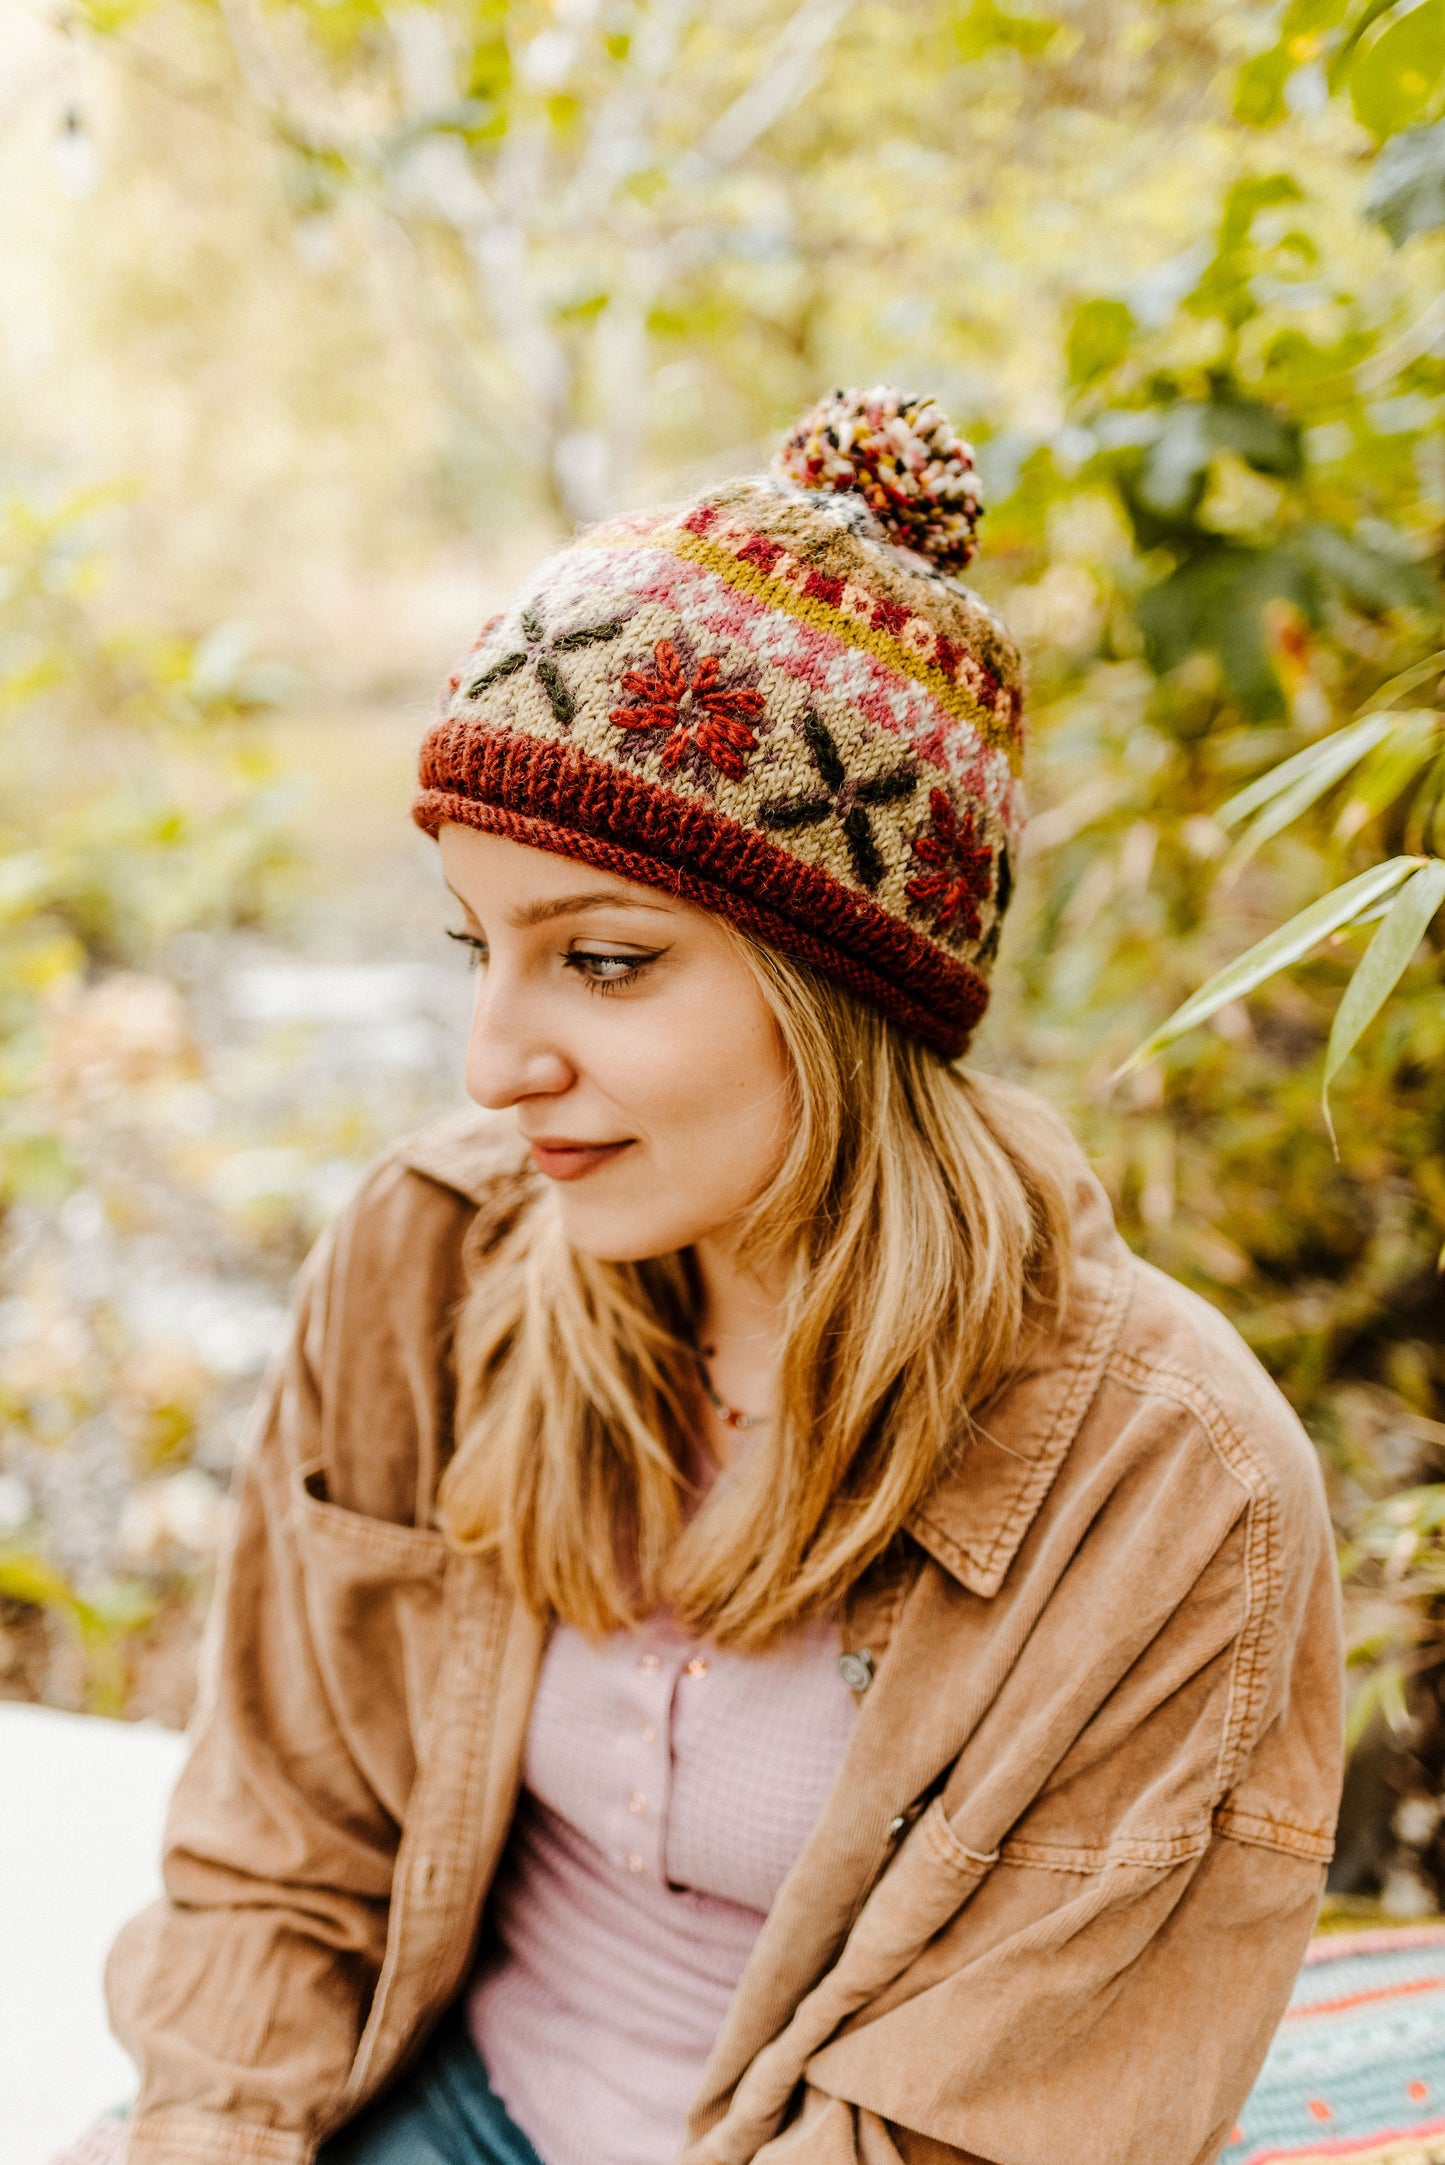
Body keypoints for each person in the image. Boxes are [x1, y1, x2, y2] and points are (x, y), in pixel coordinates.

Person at [104, 388, 1343, 2165]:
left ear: (850, 996)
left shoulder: (1172, 1491)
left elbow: (976, 2127)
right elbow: (276, 1851)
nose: (490, 1061)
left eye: (601, 961)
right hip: (432, 2095)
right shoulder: (428, 1257)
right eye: (477, 946)